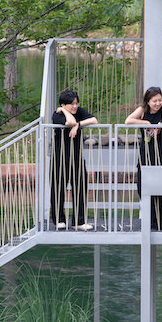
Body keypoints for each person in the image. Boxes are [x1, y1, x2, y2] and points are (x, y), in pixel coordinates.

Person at [125, 86, 162, 230]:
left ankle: (158, 220)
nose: (158, 103)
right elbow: (128, 120)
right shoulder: (142, 110)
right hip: (146, 152)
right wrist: (146, 123)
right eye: (154, 101)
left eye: (160, 100)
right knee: (142, 185)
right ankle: (148, 218)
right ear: (148, 101)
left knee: (160, 186)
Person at [51, 89, 98, 231]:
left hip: (76, 156)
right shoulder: (57, 115)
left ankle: (79, 221)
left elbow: (94, 120)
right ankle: (59, 220)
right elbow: (69, 122)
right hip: (60, 157)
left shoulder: (78, 112)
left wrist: (78, 125)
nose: (75, 107)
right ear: (63, 105)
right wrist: (65, 112)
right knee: (58, 187)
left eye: (76, 103)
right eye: (71, 104)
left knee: (80, 186)